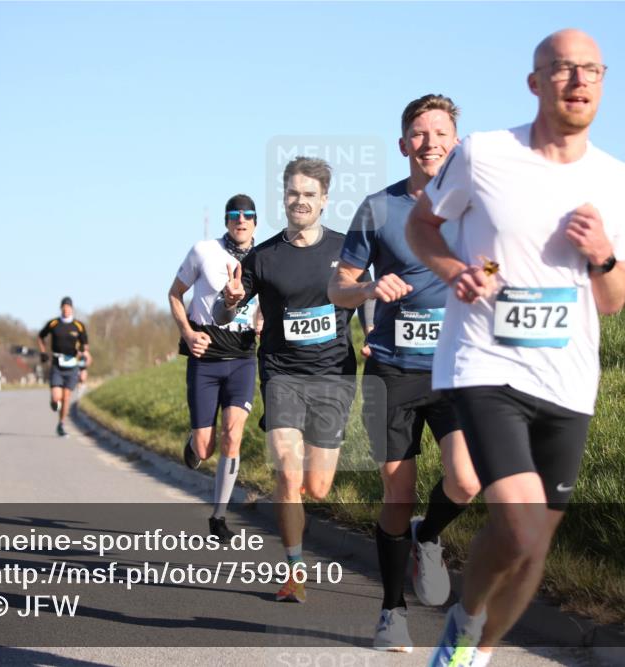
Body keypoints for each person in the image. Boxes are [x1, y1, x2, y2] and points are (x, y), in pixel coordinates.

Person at [406, 30, 625, 667]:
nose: (579, 81)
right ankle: (465, 623)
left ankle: (475, 648)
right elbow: (422, 224)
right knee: (520, 523)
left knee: (534, 547)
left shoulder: (620, 181)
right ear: (535, 83)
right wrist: (453, 269)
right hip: (485, 361)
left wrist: (603, 255)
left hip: (568, 378)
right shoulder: (484, 154)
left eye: (591, 69)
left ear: (603, 82)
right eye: (563, 69)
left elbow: (614, 297)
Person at [328, 94, 481, 653]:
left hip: (456, 368)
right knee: (398, 493)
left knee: (466, 481)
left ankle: (429, 535)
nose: (430, 142)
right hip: (391, 369)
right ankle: (391, 611)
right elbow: (338, 287)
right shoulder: (378, 208)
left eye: (440, 133)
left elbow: (499, 263)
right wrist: (370, 288)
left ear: (456, 144)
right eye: (419, 133)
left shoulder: (477, 207)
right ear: (402, 145)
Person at [216, 157, 357, 604]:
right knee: (286, 468)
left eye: (309, 194)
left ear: (324, 199)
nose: (300, 200)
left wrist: (377, 333)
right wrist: (229, 301)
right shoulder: (264, 256)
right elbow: (225, 313)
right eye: (293, 192)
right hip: (282, 375)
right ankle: (295, 569)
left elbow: (370, 300)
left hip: (333, 377)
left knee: (317, 486)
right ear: (284, 196)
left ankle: (300, 511)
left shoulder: (346, 251)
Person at [168, 194, 260, 540]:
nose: (241, 220)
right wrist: (188, 334)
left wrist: (264, 318)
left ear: (255, 221)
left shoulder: (264, 257)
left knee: (233, 436)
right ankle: (194, 443)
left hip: (242, 359)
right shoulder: (203, 251)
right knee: (205, 449)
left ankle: (219, 517)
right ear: (226, 221)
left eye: (247, 214)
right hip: (205, 359)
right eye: (234, 214)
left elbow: (273, 298)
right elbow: (174, 294)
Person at [38, 297, 91, 437]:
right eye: (64, 307)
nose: (66, 310)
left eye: (68, 307)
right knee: (57, 398)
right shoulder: (54, 323)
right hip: (57, 365)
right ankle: (54, 402)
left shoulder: (79, 326)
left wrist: (84, 366)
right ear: (61, 308)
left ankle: (61, 424)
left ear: (72, 309)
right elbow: (40, 336)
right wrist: (43, 352)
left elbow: (85, 347)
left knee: (66, 398)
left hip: (72, 366)